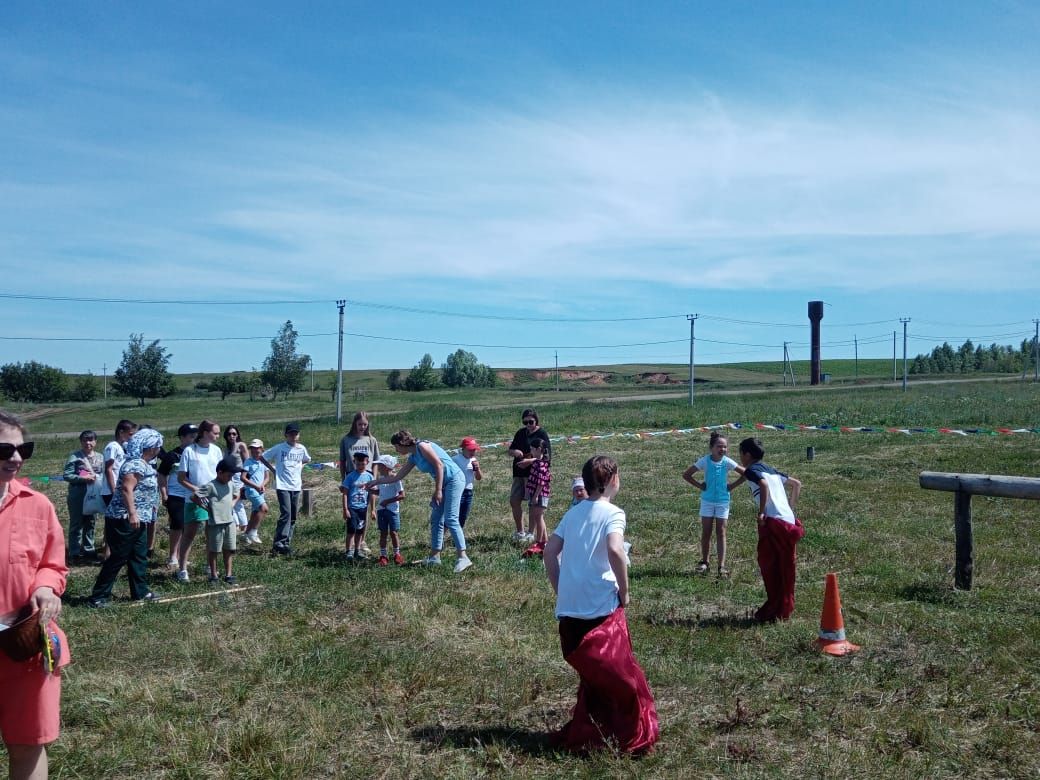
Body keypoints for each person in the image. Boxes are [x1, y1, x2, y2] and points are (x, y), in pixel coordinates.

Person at [543, 455, 658, 754]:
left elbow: (549, 552)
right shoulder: (613, 513)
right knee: (622, 678)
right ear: (609, 482)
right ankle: (627, 734)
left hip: (569, 614)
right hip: (600, 611)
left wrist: (561, 590)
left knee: (594, 680)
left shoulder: (574, 513)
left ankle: (595, 727)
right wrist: (625, 590)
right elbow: (615, 550)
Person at [0, 410, 70, 780]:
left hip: (25, 644)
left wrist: (45, 586)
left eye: (22, 449)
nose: (15, 458)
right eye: (4, 449)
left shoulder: (38, 505)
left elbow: (53, 562)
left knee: (29, 741)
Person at [368, 430, 472, 573]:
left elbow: (439, 465)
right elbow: (397, 477)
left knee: (451, 518)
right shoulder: (413, 457)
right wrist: (375, 481)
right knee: (436, 519)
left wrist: (438, 490)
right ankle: (434, 557)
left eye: (395, 447)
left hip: (454, 480)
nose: (396, 450)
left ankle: (463, 557)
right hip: (444, 484)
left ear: (401, 444)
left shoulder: (423, 446)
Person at [88, 428, 164, 607]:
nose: (159, 449)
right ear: (149, 447)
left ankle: (140, 591)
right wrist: (132, 513)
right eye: (157, 446)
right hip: (124, 518)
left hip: (140, 519)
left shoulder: (144, 464)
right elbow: (126, 489)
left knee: (139, 555)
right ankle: (98, 596)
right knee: (118, 556)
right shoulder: (135, 464)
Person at [737, 437, 804, 623]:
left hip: (774, 521)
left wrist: (761, 513)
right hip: (789, 521)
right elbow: (796, 484)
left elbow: (762, 485)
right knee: (786, 566)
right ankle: (783, 605)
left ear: (747, 455)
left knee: (771, 565)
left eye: (740, 453)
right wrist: (790, 508)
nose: (740, 457)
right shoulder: (771, 470)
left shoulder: (751, 470)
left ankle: (777, 607)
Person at [682, 432, 745, 577]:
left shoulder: (728, 462)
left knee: (721, 531)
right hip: (707, 501)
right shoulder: (704, 461)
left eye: (725, 447)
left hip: (723, 502)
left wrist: (732, 486)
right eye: (719, 446)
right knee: (706, 532)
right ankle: (704, 562)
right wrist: (700, 486)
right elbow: (686, 474)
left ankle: (721, 566)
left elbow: (746, 473)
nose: (722, 449)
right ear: (711, 448)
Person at [175, 420, 223, 582]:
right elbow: (181, 478)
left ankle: (210, 567)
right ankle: (182, 569)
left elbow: (219, 475)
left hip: (214, 497)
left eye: (218, 433)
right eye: (215, 433)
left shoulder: (216, 451)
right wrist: (196, 490)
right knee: (189, 534)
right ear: (204, 432)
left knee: (212, 534)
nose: (217, 436)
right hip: (194, 499)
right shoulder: (189, 451)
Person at [261, 423, 311, 556]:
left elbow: (307, 459)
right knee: (286, 513)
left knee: (293, 515)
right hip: (283, 485)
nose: (293, 436)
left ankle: (286, 543)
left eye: (296, 433)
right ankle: (279, 543)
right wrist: (273, 470)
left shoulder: (301, 449)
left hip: (296, 486)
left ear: (298, 435)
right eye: (291, 433)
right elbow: (263, 457)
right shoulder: (279, 448)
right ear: (286, 435)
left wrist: (300, 466)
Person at [191, 458, 242, 585]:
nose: (230, 478)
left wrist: (233, 503)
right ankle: (213, 575)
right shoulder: (211, 486)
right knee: (214, 550)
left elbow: (237, 494)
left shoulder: (230, 484)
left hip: (229, 521)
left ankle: (228, 574)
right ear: (219, 472)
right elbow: (194, 497)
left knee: (229, 549)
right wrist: (205, 507)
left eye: (232, 476)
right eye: (228, 475)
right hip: (215, 523)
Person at [157, 423, 198, 569]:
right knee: (177, 524)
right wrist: (164, 493)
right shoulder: (172, 456)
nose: (194, 439)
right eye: (191, 436)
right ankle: (172, 556)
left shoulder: (196, 454)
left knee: (188, 526)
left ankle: (183, 556)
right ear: (182, 437)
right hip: (175, 494)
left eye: (196, 436)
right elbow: (161, 475)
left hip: (192, 495)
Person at [506, 409, 551, 543]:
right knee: (514, 500)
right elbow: (510, 450)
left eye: (531, 422)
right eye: (525, 422)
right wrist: (515, 452)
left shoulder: (542, 434)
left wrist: (529, 461)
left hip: (533, 475)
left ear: (536, 420)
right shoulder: (520, 433)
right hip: (519, 472)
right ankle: (520, 531)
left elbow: (547, 458)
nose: (528, 425)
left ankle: (531, 533)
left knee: (533, 504)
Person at [338, 411, 380, 553]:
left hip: (368, 478)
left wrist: (374, 478)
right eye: (360, 424)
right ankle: (351, 540)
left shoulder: (371, 440)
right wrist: (343, 478)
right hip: (352, 476)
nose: (362, 427)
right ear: (355, 424)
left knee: (365, 508)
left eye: (365, 424)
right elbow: (343, 461)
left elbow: (375, 461)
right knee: (353, 507)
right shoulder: (346, 440)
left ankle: (362, 540)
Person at [63, 429, 103, 562]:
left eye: (91, 439)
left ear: (95, 442)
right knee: (76, 523)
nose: (88, 442)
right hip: (78, 495)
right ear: (81, 441)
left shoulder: (101, 457)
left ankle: (89, 549)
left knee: (90, 522)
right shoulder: (75, 457)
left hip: (94, 494)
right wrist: (83, 479)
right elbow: (67, 475)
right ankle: (74, 552)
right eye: (85, 440)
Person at [99, 419, 137, 560]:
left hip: (117, 489)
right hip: (111, 490)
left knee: (117, 520)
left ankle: (112, 551)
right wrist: (114, 489)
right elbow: (109, 469)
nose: (132, 437)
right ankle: (108, 553)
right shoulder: (112, 446)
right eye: (130, 433)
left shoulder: (122, 447)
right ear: (121, 432)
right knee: (113, 522)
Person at [372, 455, 405, 566]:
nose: (378, 467)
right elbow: (380, 493)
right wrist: (369, 490)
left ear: (386, 467)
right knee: (383, 533)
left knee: (393, 532)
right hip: (381, 510)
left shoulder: (396, 478)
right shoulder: (381, 479)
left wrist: (387, 501)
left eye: (380, 465)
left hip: (392, 510)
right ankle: (383, 555)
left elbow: (402, 495)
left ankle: (397, 554)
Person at [341, 451, 374, 561]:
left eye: (363, 464)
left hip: (363, 508)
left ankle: (357, 550)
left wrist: (372, 509)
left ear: (367, 462)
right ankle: (348, 551)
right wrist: (345, 509)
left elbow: (372, 493)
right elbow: (345, 493)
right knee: (351, 530)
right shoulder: (350, 476)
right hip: (352, 507)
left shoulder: (370, 476)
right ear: (354, 462)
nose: (360, 466)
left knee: (360, 530)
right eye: (358, 464)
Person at [521, 439, 552, 555]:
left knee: (538, 518)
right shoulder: (537, 462)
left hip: (540, 494)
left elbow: (541, 483)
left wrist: (535, 496)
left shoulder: (541, 465)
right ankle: (544, 542)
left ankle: (539, 542)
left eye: (532, 449)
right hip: (536, 493)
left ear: (538, 449)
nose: (530, 451)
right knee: (539, 517)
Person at [241, 439, 269, 545]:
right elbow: (243, 478)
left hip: (260, 490)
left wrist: (262, 485)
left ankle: (246, 534)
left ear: (262, 449)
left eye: (257, 448)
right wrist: (255, 486)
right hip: (251, 490)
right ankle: (254, 532)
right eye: (252, 448)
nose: (254, 450)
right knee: (264, 508)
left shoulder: (263, 462)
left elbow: (267, 477)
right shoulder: (248, 461)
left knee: (255, 512)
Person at [223, 425, 250, 534]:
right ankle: (236, 524)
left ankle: (243, 525)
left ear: (237, 435)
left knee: (237, 501)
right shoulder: (226, 449)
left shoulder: (241, 445)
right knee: (229, 500)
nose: (231, 436)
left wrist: (245, 479)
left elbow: (247, 463)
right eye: (229, 434)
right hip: (228, 477)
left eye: (234, 433)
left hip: (238, 476)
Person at [451, 436, 482, 528]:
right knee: (453, 515)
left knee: (463, 516)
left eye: (474, 450)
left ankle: (457, 538)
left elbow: (479, 478)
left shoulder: (474, 460)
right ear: (463, 449)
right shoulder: (455, 459)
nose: (473, 452)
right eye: (470, 450)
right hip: (457, 491)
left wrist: (477, 469)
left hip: (468, 491)